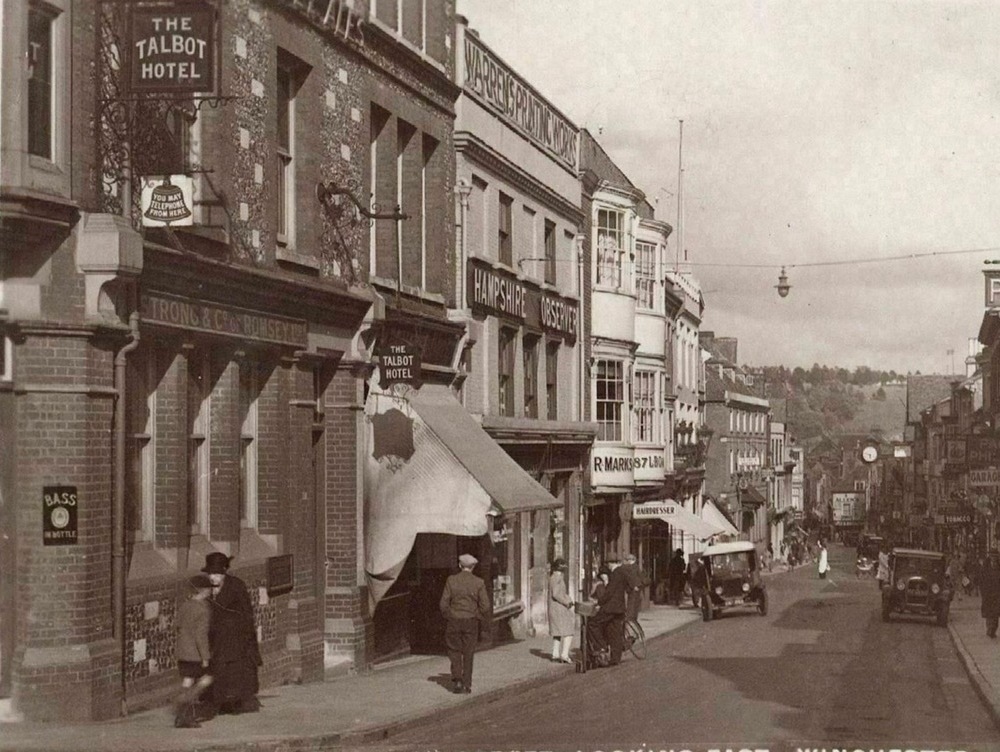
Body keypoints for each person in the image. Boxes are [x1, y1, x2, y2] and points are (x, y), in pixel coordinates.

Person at [202, 553, 262, 715]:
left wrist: (246, 636)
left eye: (217, 574)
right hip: (215, 636)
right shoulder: (205, 588)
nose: (213, 578)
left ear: (224, 572)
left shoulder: (236, 586)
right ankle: (219, 700)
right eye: (210, 574)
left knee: (234, 669)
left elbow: (246, 613)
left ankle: (234, 701)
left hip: (235, 637)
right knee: (218, 667)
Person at [440, 553, 491, 694]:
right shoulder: (479, 582)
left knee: (454, 650)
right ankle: (467, 684)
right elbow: (486, 606)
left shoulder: (451, 580)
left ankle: (457, 680)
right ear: (473, 567)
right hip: (471, 621)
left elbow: (443, 604)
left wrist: (449, 615)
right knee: (469, 652)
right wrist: (477, 615)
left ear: (459, 565)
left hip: (454, 620)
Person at [173, 574, 214, 728]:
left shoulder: (185, 606)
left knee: (188, 680)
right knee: (207, 679)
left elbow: (177, 625)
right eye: (209, 589)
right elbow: (201, 636)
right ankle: (182, 706)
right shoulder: (203, 610)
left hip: (182, 652)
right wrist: (205, 657)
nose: (210, 591)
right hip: (195, 654)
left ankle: (182, 715)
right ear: (204, 590)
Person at [587, 558, 627, 667]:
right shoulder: (622, 573)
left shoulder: (615, 574)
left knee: (592, 623)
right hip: (619, 608)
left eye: (609, 563)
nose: (608, 566)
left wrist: (599, 602)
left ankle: (601, 646)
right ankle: (615, 658)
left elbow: (609, 592)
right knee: (615, 631)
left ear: (612, 563)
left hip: (611, 608)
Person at [547, 558, 575, 664]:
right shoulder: (557, 578)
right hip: (559, 609)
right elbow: (556, 594)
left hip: (554, 608)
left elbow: (559, 593)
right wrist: (567, 602)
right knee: (569, 632)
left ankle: (555, 654)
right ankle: (564, 654)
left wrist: (568, 599)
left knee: (557, 632)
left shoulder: (552, 577)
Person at [980, 549, 1000, 639]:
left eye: (996, 556)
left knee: (996, 613)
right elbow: (981, 580)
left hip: (997, 593)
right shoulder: (985, 566)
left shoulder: (999, 566)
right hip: (988, 593)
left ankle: (993, 629)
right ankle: (989, 629)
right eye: (992, 556)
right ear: (990, 556)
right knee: (989, 612)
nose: (994, 558)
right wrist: (983, 592)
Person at [619, 553, 644, 620]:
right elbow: (637, 577)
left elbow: (633, 578)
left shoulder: (630, 567)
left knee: (632, 602)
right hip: (635, 586)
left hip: (633, 587)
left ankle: (630, 616)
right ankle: (632, 616)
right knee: (634, 602)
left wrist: (634, 586)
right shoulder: (635, 567)